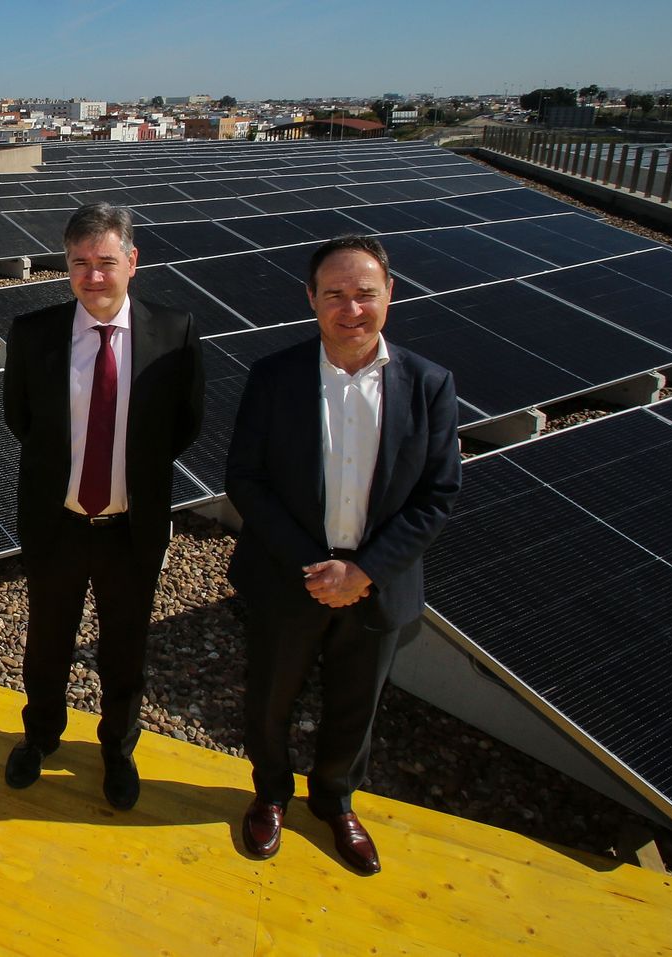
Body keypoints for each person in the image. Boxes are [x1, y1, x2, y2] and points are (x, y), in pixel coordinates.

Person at [225, 235, 461, 875]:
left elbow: (438, 494)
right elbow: (246, 479)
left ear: (390, 295)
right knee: (270, 697)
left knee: (356, 705)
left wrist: (363, 571)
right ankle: (270, 793)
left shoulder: (429, 386)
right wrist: (315, 565)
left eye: (365, 293)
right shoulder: (274, 377)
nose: (350, 308)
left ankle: (334, 801)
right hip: (287, 577)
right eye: (335, 295)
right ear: (311, 299)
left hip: (378, 584)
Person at [2, 203, 203, 810]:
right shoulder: (34, 334)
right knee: (47, 641)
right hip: (57, 524)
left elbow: (185, 425)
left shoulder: (174, 331)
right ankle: (40, 736)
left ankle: (118, 748)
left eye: (106, 262)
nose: (93, 276)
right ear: (66, 266)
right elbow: (21, 420)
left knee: (125, 647)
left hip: (129, 529)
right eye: (80, 263)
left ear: (132, 262)